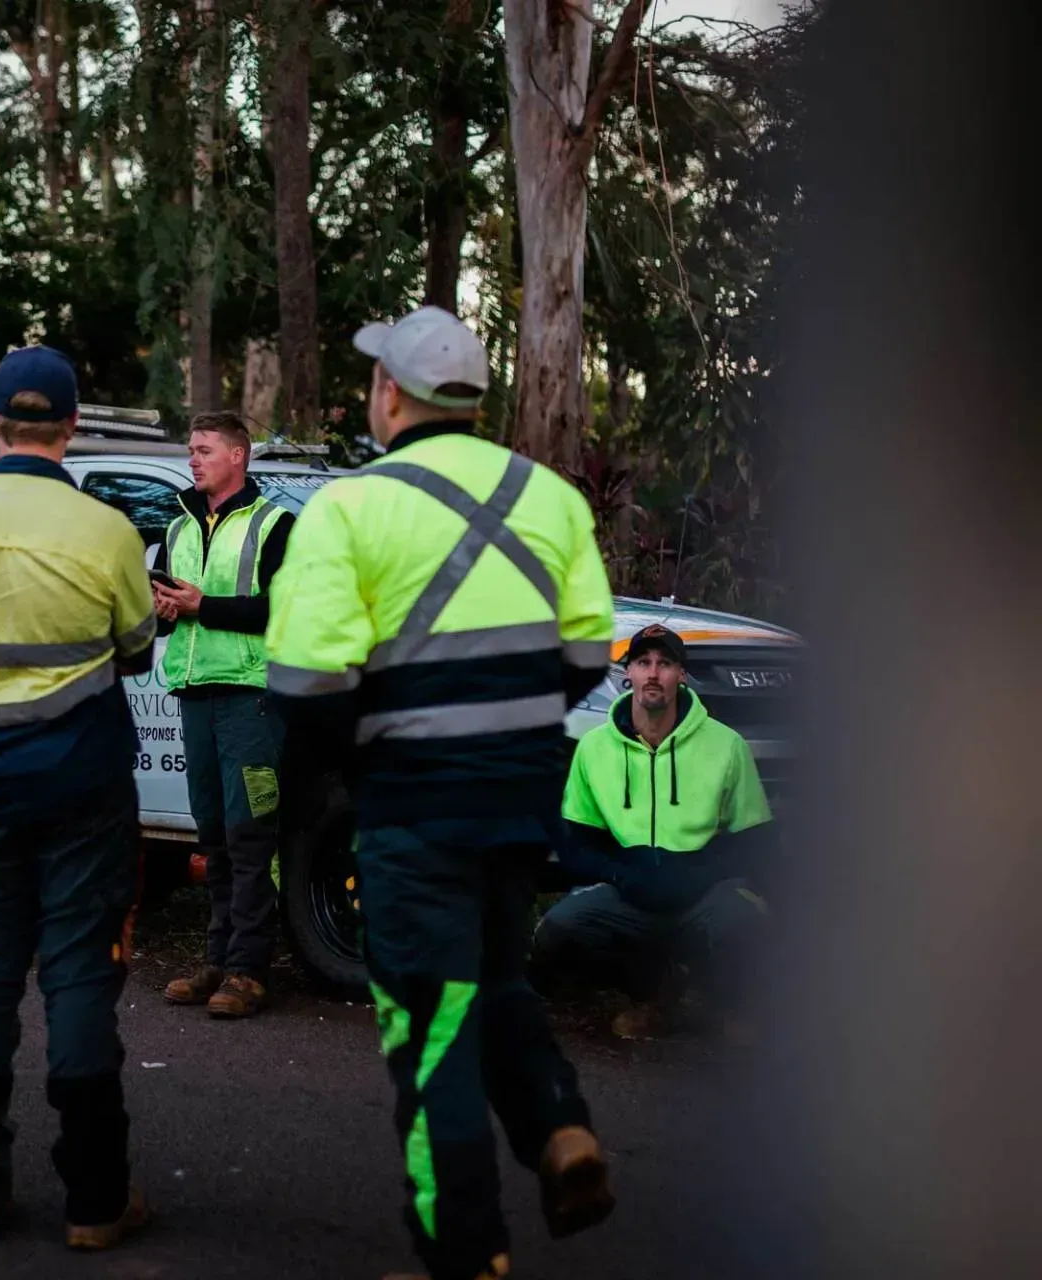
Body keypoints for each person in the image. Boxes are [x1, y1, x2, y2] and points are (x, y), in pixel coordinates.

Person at [265, 305, 617, 1280]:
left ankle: (464, 1254)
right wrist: (501, 732)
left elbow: (304, 683)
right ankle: (559, 1127)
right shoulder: (550, 497)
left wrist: (379, 750)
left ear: (390, 393)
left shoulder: (347, 509)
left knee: (430, 1031)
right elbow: (589, 653)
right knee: (496, 983)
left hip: (413, 809)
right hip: (520, 800)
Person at [0, 345, 155, 1251]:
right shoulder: (107, 532)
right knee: (80, 974)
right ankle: (95, 1202)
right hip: (83, 789)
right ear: (72, 425)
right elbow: (137, 648)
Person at [531, 624, 776, 1041]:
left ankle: (724, 1003)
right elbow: (575, 844)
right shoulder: (595, 748)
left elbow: (756, 842)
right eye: (643, 662)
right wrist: (620, 874)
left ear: (681, 675)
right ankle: (650, 996)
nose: (653, 673)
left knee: (745, 919)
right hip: (630, 893)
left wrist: (699, 875)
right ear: (628, 673)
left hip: (701, 894)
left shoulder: (727, 746)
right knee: (559, 931)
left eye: (665, 663)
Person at [152, 411, 293, 1019]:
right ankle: (218, 960)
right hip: (194, 692)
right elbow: (174, 612)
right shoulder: (177, 524)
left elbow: (282, 611)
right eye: (191, 449)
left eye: (205, 449)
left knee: (249, 833)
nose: (193, 459)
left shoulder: (275, 524)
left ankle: (249, 971)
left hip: (251, 697)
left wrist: (203, 606)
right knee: (211, 834)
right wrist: (164, 609)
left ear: (238, 455)